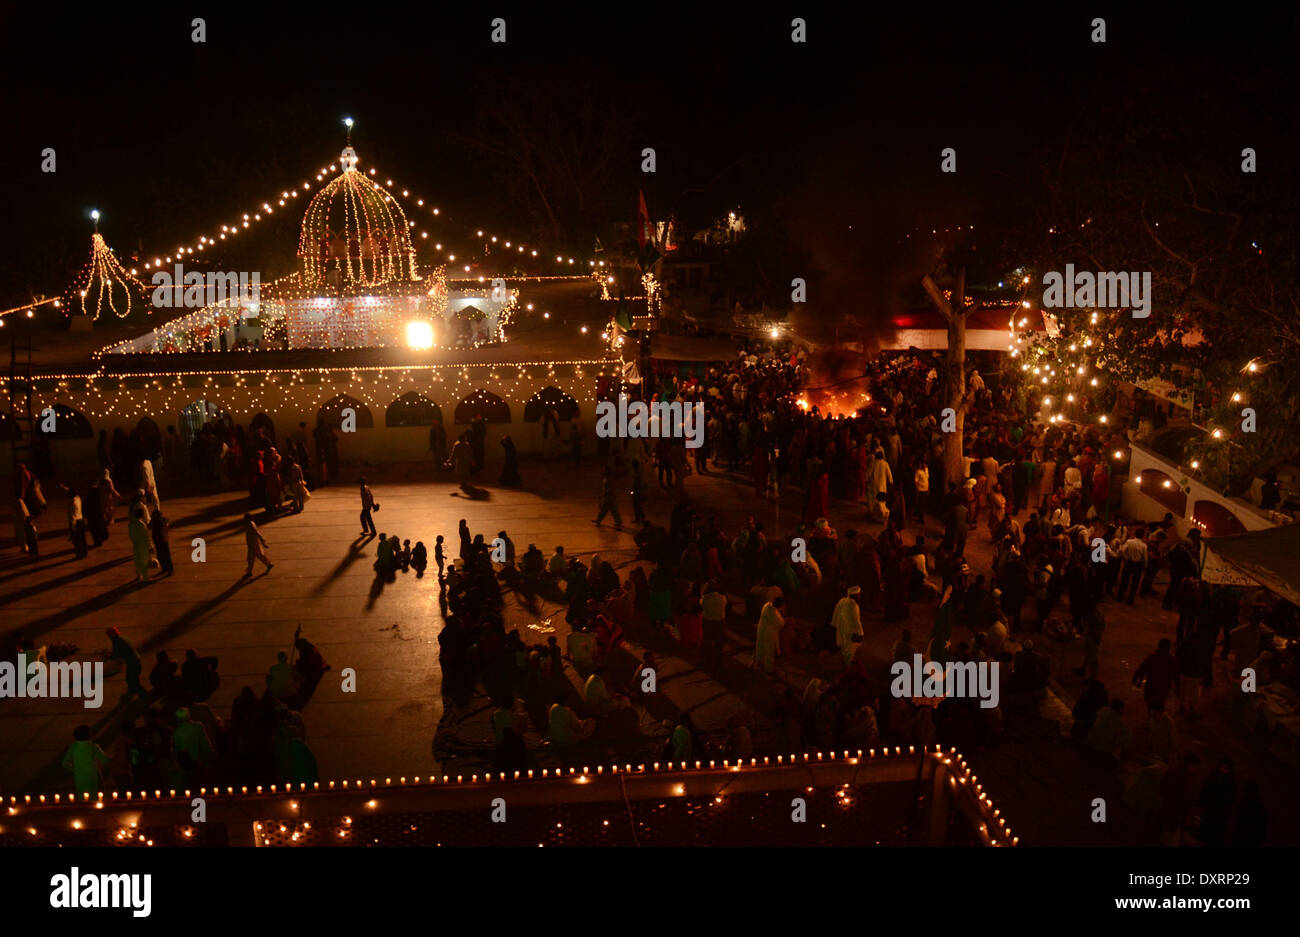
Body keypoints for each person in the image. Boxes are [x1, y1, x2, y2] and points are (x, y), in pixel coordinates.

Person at [61, 725, 111, 796]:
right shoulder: (93, 746)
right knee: (94, 796)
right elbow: (105, 760)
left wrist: (74, 769)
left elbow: (64, 763)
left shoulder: (73, 747)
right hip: (92, 775)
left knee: (82, 796)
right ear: (89, 735)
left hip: (79, 776)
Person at [1132, 638, 1178, 713]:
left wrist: (1136, 680)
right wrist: (1177, 687)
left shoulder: (1151, 657)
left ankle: (1151, 719)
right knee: (1160, 705)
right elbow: (1176, 675)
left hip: (1151, 686)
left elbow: (1142, 669)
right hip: (1163, 688)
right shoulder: (1171, 660)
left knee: (1150, 705)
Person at [106, 627, 144, 699]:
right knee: (132, 678)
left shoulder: (116, 641)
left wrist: (108, 657)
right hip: (135, 660)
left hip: (132, 662)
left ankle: (141, 693)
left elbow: (116, 654)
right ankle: (133, 692)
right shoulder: (123, 638)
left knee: (131, 679)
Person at [832, 586, 864, 665]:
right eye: (858, 595)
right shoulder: (853, 605)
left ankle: (846, 662)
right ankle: (848, 666)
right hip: (851, 631)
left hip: (842, 628)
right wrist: (861, 633)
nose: (859, 596)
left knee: (844, 647)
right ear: (855, 595)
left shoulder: (842, 601)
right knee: (850, 650)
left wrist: (835, 624)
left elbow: (836, 613)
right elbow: (856, 621)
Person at [754, 595, 785, 673]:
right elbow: (781, 624)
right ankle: (768, 669)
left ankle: (759, 663)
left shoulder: (766, 605)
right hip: (769, 635)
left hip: (761, 630)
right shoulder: (774, 613)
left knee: (760, 648)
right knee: (769, 651)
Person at [242, 513, 272, 578]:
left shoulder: (250, 525)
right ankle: (269, 564)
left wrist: (263, 542)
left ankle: (249, 572)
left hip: (253, 544)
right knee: (259, 556)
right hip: (253, 543)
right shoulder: (251, 523)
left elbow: (257, 533)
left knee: (251, 558)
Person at [127, 507, 151, 584]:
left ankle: (138, 575)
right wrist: (150, 546)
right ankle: (146, 578)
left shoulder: (131, 524)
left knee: (137, 560)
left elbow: (130, 534)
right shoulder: (142, 524)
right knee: (144, 560)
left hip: (135, 543)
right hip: (142, 544)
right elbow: (146, 536)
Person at [150, 508, 174, 575]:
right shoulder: (158, 521)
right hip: (160, 541)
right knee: (163, 556)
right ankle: (166, 569)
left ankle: (168, 569)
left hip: (162, 541)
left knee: (165, 556)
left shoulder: (160, 521)